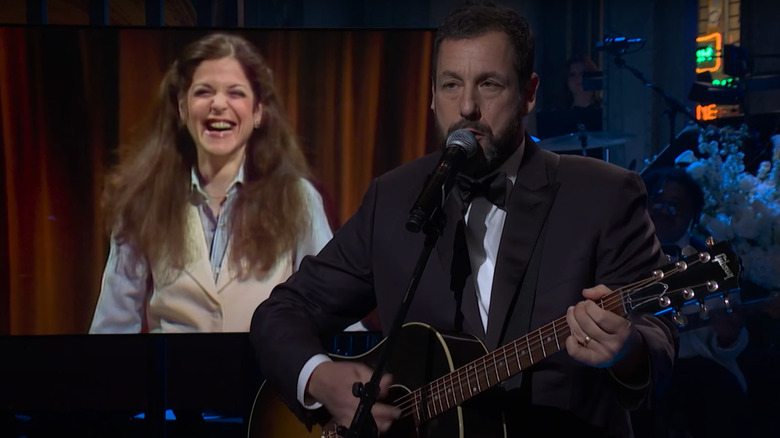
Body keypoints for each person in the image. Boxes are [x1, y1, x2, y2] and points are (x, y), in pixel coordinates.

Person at [251, 2, 675, 437]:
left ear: (529, 93)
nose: (467, 107)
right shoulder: (395, 198)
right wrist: (320, 378)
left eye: (489, 84)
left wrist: (626, 351)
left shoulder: (603, 194)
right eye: (451, 85)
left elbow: (658, 339)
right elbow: (281, 313)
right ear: (432, 94)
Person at [89, 33, 333, 334]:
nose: (218, 104)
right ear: (182, 108)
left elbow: (332, 304)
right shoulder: (144, 200)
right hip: (173, 378)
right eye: (203, 92)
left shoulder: (297, 197)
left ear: (258, 112)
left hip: (266, 378)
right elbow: (113, 325)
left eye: (236, 93)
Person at [634, 167, 751, 438]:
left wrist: (728, 337)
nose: (664, 210)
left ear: (692, 216)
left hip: (699, 368)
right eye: (658, 201)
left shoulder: (714, 263)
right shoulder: (616, 251)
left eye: (676, 205)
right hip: (634, 365)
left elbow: (732, 343)